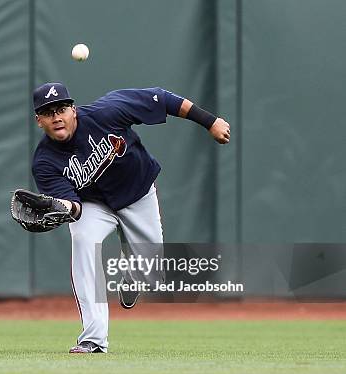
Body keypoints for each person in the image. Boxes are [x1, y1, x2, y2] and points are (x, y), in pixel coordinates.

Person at [31, 82, 230, 353]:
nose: (56, 117)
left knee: (150, 272)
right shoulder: (44, 162)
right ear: (38, 120)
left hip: (138, 194)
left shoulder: (108, 112)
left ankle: (132, 278)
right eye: (48, 112)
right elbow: (73, 205)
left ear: (73, 110)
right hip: (93, 204)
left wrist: (210, 121)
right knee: (83, 242)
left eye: (61, 109)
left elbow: (163, 99)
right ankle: (93, 338)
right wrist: (65, 208)